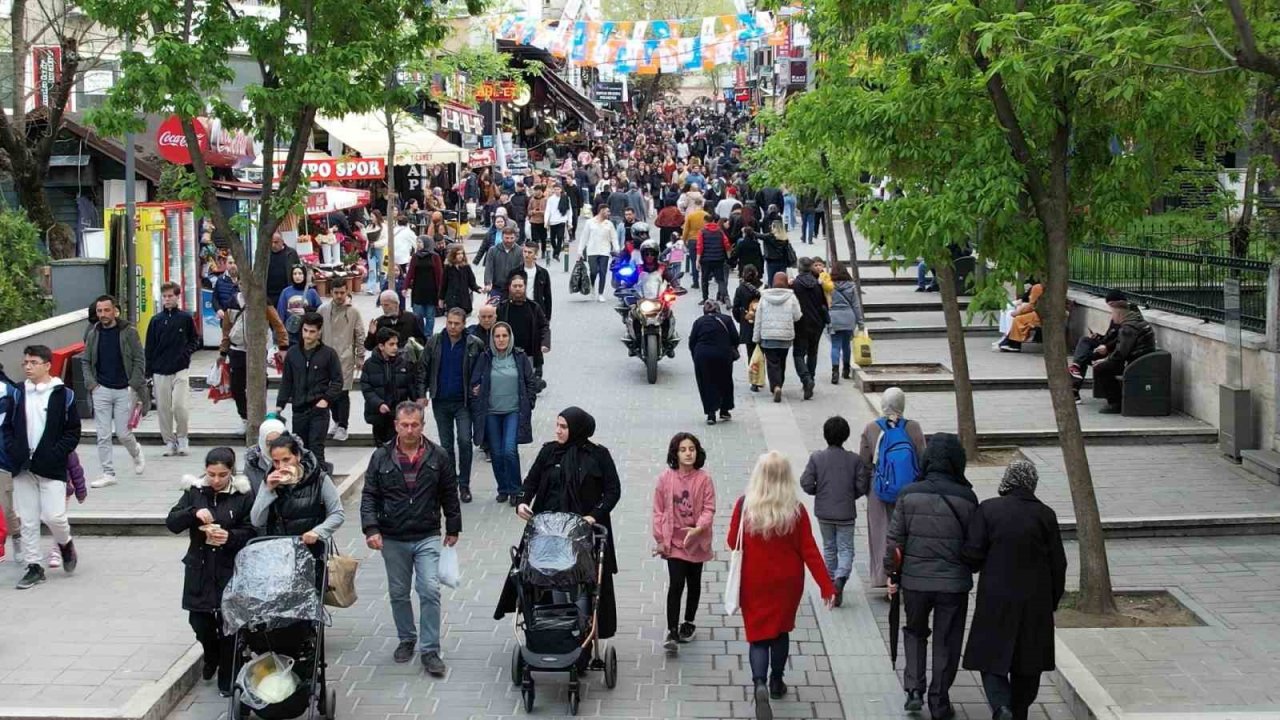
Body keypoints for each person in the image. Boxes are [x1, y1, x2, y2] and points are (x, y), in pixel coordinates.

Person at [728, 451, 835, 720]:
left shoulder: (744, 506)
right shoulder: (796, 511)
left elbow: (733, 542)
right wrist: (826, 586)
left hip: (754, 582)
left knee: (759, 637)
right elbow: (810, 550)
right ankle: (777, 681)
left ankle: (759, 684)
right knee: (781, 631)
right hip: (787, 584)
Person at [360, 401, 461, 675]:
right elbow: (369, 495)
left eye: (414, 425)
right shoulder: (381, 457)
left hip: (426, 533)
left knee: (429, 589)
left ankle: (430, 649)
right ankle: (407, 638)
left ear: (422, 425)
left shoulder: (438, 456)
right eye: (404, 425)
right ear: (395, 425)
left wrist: (453, 527)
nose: (409, 430)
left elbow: (449, 493)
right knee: (398, 592)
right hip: (392, 536)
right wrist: (371, 529)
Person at [962, 460, 1067, 720]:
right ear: (1032, 484)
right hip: (1035, 600)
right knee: (1029, 663)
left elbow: (973, 554)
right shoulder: (1046, 515)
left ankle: (1002, 706)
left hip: (996, 597)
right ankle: (1018, 711)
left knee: (990, 657)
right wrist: (1052, 600)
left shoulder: (989, 509)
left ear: (1007, 480)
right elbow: (1058, 563)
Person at [885, 432, 979, 719]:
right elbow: (974, 545)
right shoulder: (967, 498)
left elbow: (895, 539)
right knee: (946, 639)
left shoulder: (909, 493)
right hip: (953, 583)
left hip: (914, 580)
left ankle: (914, 689)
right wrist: (967, 567)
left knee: (914, 631)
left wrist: (892, 574)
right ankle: (939, 699)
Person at [515, 408, 622, 647]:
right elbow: (530, 481)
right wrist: (522, 502)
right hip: (549, 534)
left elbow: (613, 490)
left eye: (563, 427)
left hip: (583, 536)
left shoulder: (598, 455)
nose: (558, 431)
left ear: (577, 428)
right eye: (557, 425)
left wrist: (594, 516)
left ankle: (582, 632)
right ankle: (554, 633)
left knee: (582, 582)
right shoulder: (549, 452)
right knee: (550, 579)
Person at [165, 447, 255, 696]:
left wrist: (229, 536)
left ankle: (227, 676)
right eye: (211, 474)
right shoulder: (194, 491)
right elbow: (172, 522)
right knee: (200, 622)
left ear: (231, 472)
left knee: (229, 626)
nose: (216, 480)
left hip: (229, 569)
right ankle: (211, 654)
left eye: (222, 475)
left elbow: (252, 530)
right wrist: (193, 513)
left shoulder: (243, 495)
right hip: (200, 567)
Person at [4, 345, 82, 589]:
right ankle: (34, 566)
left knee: (54, 516)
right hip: (22, 467)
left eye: (33, 362)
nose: (28, 366)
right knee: (27, 520)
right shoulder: (17, 393)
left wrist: (56, 453)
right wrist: (12, 449)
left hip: (51, 466)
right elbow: (6, 426)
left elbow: (72, 431)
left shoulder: (63, 394)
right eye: (25, 362)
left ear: (47, 365)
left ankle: (65, 543)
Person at [651, 432, 715, 654]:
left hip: (696, 541)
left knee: (694, 581)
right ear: (675, 453)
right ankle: (672, 631)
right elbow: (658, 510)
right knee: (676, 583)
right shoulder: (665, 479)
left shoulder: (704, 479)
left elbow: (709, 507)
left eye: (691, 449)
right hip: (674, 542)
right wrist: (660, 538)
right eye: (683, 450)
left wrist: (699, 528)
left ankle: (688, 621)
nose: (688, 454)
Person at [859, 387, 925, 588]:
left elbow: (864, 461)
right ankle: (904, 576)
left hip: (879, 488)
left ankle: (882, 577)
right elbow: (923, 458)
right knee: (906, 533)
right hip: (909, 490)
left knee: (881, 532)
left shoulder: (871, 428)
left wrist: (864, 488)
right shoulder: (913, 428)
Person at [800, 416, 868, 608]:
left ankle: (831, 584)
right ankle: (840, 579)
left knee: (829, 547)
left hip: (824, 511)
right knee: (846, 548)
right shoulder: (854, 460)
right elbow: (862, 485)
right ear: (846, 436)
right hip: (846, 512)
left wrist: (818, 491)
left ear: (825, 435)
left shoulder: (816, 458)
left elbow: (806, 482)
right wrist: (850, 495)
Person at [420, 308, 485, 504]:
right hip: (441, 401)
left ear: (464, 324)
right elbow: (423, 367)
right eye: (450, 322)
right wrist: (421, 394)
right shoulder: (435, 342)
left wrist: (479, 385)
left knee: (465, 441)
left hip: (462, 402)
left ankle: (464, 484)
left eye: (457, 323)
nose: (453, 327)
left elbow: (483, 368)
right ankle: (450, 485)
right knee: (446, 446)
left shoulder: (474, 344)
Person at [83, 295, 148, 488]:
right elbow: (86, 361)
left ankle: (136, 452)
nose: (103, 314)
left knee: (123, 433)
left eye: (106, 310)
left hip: (123, 390)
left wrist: (133, 383)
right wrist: (91, 384)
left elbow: (139, 359)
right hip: (100, 388)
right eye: (99, 311)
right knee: (103, 434)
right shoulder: (93, 333)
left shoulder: (128, 332)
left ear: (115, 311)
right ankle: (108, 473)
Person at [470, 322, 538, 503]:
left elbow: (530, 381)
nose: (501, 340)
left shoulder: (519, 356)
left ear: (510, 337)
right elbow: (474, 381)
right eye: (497, 336)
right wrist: (476, 389)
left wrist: (529, 402)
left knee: (509, 450)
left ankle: (517, 491)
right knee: (497, 453)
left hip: (513, 411)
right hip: (491, 412)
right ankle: (503, 488)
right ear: (492, 338)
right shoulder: (485, 358)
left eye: (504, 336)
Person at [275, 313, 344, 470]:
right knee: (299, 449)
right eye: (305, 330)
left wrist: (326, 399)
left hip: (319, 409)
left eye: (312, 331)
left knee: (316, 448)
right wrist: (280, 405)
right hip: (299, 408)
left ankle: (320, 485)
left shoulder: (329, 354)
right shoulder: (293, 353)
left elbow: (338, 381)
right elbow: (287, 381)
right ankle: (303, 483)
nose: (307, 335)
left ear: (319, 332)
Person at [250, 433, 344, 545]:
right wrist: (267, 490)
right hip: (279, 547)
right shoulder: (270, 480)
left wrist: (318, 532)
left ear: (298, 456)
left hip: (311, 546)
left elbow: (337, 513)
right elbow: (256, 521)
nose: (281, 466)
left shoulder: (319, 478)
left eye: (286, 460)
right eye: (276, 461)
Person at [146, 282, 200, 457]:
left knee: (179, 405)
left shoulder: (185, 318)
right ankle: (169, 440)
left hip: (180, 368)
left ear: (177, 297)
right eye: (165, 296)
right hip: (160, 370)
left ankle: (183, 437)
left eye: (170, 296)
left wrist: (186, 353)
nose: (167, 299)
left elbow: (195, 339)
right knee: (163, 408)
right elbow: (150, 347)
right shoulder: (156, 321)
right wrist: (148, 371)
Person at [221, 303, 289, 435]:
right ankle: (245, 418)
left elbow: (278, 324)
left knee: (260, 383)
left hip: (258, 348)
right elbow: (226, 328)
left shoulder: (263, 301)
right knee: (236, 386)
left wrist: (283, 346)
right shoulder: (232, 303)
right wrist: (223, 350)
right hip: (237, 349)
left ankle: (258, 416)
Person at [1090, 297, 1157, 414]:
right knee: (1104, 365)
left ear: (1119, 313)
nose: (1112, 316)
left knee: (1102, 369)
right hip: (1140, 360)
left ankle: (1115, 403)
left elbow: (1121, 353)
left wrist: (1105, 361)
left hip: (1136, 363)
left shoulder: (1128, 328)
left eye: (1112, 313)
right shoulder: (1136, 322)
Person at [318, 284, 365, 443]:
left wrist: (360, 356)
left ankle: (343, 425)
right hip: (325, 356)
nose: (339, 296)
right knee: (328, 391)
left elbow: (359, 334)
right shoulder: (323, 310)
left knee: (343, 392)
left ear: (347, 292)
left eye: (342, 292)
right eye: (336, 292)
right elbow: (317, 331)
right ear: (331, 292)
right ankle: (337, 421)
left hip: (345, 356)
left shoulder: (353, 312)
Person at [361, 328, 420, 446]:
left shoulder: (404, 363)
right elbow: (366, 388)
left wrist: (417, 403)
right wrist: (378, 404)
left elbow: (411, 386)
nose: (395, 347)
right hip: (378, 415)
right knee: (382, 450)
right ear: (381, 346)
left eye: (396, 344)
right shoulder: (370, 364)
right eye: (391, 344)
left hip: (398, 414)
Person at [688, 300, 740, 425]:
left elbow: (692, 342)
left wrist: (696, 357)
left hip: (703, 355)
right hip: (723, 355)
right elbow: (735, 338)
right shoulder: (727, 320)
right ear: (718, 309)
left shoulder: (699, 321)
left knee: (706, 383)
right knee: (725, 381)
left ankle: (711, 414)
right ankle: (724, 410)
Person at [753, 273, 802, 403]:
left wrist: (756, 337)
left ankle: (776, 386)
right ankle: (780, 384)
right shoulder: (791, 297)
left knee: (772, 363)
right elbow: (797, 316)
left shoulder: (764, 297)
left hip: (768, 337)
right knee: (782, 362)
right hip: (785, 337)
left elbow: (758, 319)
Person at [495, 273, 551, 384]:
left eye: (520, 286)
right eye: (515, 286)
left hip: (529, 354)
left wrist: (545, 343)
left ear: (524, 287)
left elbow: (544, 326)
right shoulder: (502, 308)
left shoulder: (534, 307)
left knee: (528, 387)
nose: (517, 289)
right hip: (508, 355)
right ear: (510, 288)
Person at [791, 257, 829, 401]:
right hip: (817, 323)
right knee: (813, 352)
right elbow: (823, 303)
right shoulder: (817, 284)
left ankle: (806, 379)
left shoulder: (795, 285)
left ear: (799, 268)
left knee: (798, 353)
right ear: (810, 267)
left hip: (801, 324)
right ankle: (811, 377)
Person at [827, 263, 863, 384]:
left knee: (835, 345)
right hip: (849, 317)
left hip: (834, 318)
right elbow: (856, 305)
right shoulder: (852, 286)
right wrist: (860, 322)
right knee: (846, 345)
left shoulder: (829, 286)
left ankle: (835, 372)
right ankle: (846, 369)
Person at [405, 234, 445, 337]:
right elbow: (410, 273)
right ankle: (420, 335)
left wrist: (441, 293)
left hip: (431, 291)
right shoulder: (415, 256)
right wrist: (405, 287)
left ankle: (428, 336)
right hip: (418, 290)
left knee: (430, 316)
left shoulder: (434, 257)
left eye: (420, 242)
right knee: (417, 315)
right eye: (417, 242)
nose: (418, 244)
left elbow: (439, 275)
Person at [581, 205, 619, 301]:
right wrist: (580, 251)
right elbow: (584, 237)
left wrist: (616, 249)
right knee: (593, 271)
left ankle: (601, 293)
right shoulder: (590, 223)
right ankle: (592, 285)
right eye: (607, 211)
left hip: (604, 251)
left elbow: (614, 237)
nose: (609, 213)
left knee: (603, 272)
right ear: (601, 211)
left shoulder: (609, 224)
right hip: (592, 250)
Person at [732, 265, 763, 387]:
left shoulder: (741, 289)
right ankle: (762, 376)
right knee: (763, 351)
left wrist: (740, 319)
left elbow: (735, 307)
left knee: (751, 352)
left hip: (747, 323)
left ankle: (754, 381)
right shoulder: (762, 287)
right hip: (762, 323)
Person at [997, 279, 1044, 352]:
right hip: (1041, 313)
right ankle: (1009, 340)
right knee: (1017, 317)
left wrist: (1018, 312)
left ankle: (1014, 344)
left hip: (1040, 315)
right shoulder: (1043, 286)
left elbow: (1032, 305)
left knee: (1018, 319)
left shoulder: (1038, 287)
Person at [695, 215, 732, 305]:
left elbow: (700, 246)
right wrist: (728, 256)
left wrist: (697, 260)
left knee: (704, 280)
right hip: (718, 259)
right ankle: (725, 298)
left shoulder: (702, 232)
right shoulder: (720, 231)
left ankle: (705, 298)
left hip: (706, 260)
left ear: (705, 222)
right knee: (720, 280)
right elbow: (726, 244)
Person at [244, 417, 286, 493]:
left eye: (278, 441)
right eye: (269, 443)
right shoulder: (252, 463)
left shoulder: (297, 459)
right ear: (262, 442)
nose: (274, 447)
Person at [514, 241, 553, 320]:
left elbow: (547, 297)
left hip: (537, 310)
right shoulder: (515, 272)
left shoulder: (543, 273)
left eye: (530, 252)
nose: (526, 255)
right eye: (524, 252)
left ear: (536, 254)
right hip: (519, 308)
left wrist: (547, 318)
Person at [484, 225, 523, 300]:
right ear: (502, 237)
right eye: (507, 238)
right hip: (496, 288)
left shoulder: (520, 251)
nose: (509, 240)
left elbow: (521, 270)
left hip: (513, 288)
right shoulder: (493, 250)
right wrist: (488, 283)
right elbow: (489, 268)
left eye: (512, 238)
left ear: (515, 238)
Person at [441, 243, 481, 318]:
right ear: (453, 255)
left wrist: (478, 289)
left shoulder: (466, 267)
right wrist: (441, 299)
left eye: (462, 253)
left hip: (463, 300)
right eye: (458, 253)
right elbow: (444, 285)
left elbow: (472, 283)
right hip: (451, 300)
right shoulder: (448, 268)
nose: (460, 255)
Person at [265, 232, 301, 309]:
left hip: (286, 293)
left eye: (276, 242)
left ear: (282, 241)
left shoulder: (291, 253)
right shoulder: (266, 254)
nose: (273, 245)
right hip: (269, 295)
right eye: (271, 242)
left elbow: (298, 270)